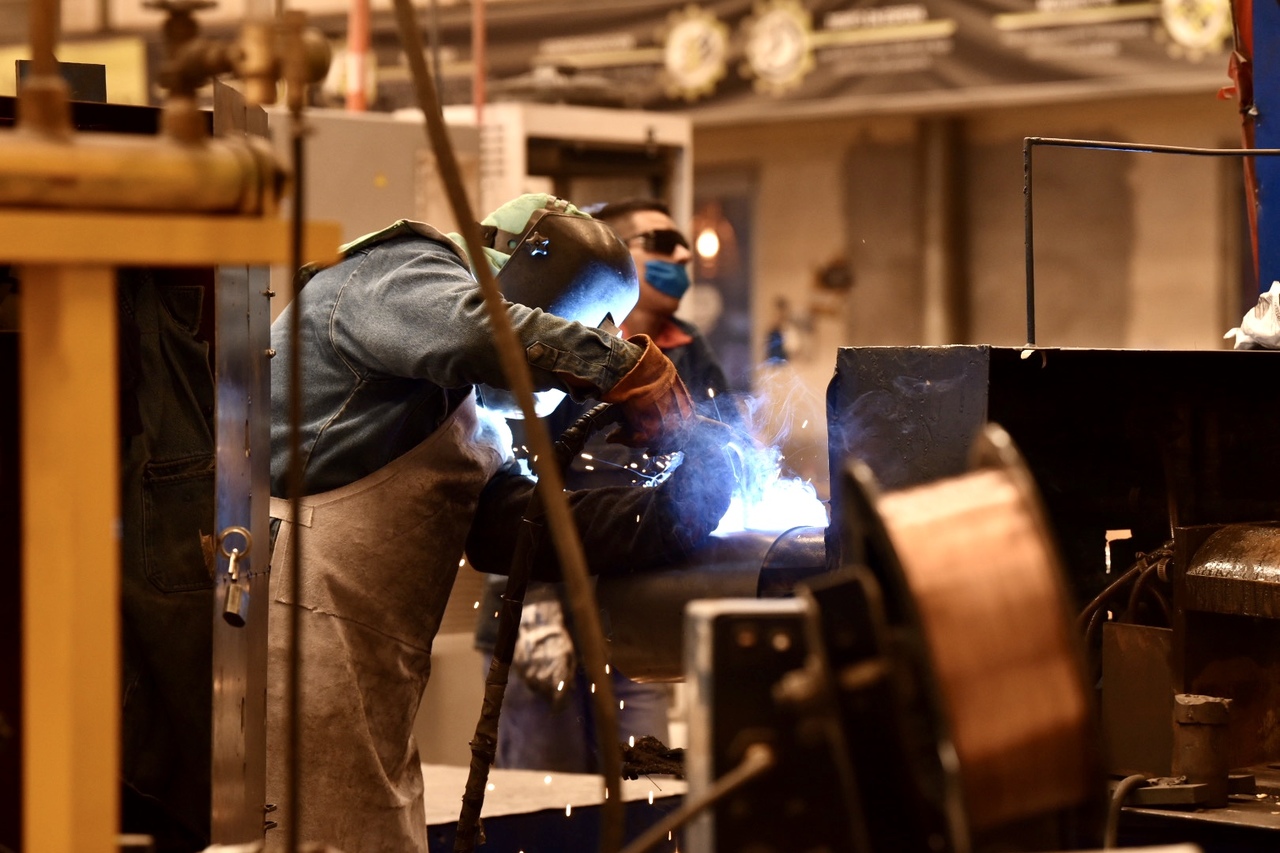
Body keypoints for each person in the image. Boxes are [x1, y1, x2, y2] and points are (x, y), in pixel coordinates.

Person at [264, 194, 713, 852]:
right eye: (579, 327)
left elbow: (513, 526)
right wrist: (616, 365)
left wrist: (666, 516)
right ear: (533, 274)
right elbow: (478, 330)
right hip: (287, 625)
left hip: (361, 656)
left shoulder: (463, 409)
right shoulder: (395, 272)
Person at [474, 198, 740, 774]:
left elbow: (727, 434)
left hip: (633, 593)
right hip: (544, 588)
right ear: (613, 259)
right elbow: (505, 486)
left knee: (644, 774)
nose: (680, 258)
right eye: (661, 245)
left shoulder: (688, 348)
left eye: (684, 248)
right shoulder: (552, 340)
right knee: (545, 788)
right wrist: (534, 605)